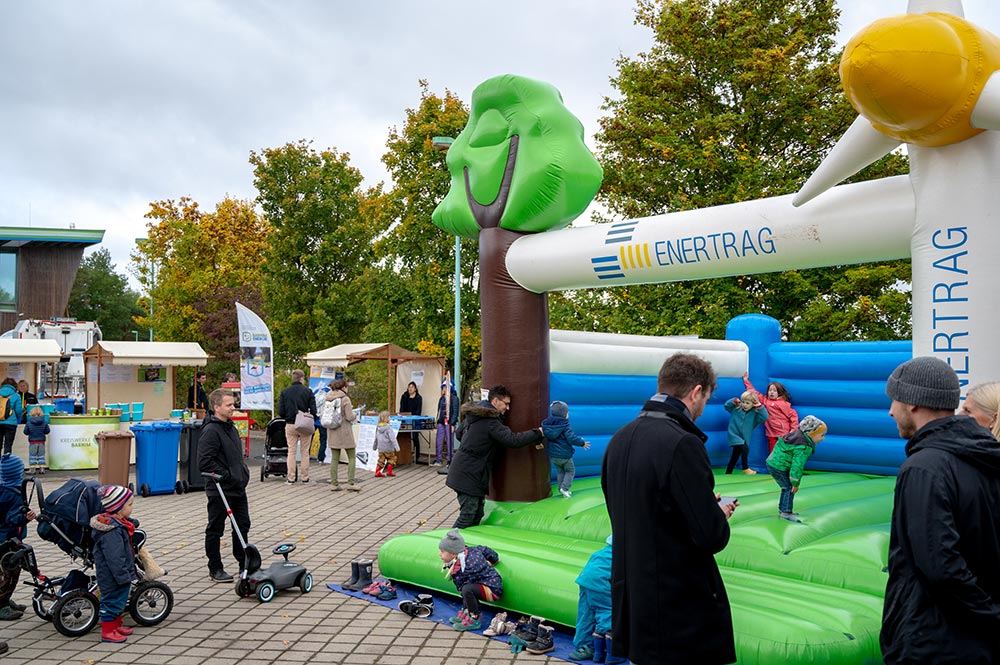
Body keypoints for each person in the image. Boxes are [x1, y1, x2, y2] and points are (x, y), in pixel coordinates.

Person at [602, 353, 737, 665]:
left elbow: (640, 510)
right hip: (676, 607)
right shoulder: (681, 442)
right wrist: (716, 514)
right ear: (696, 392)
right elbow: (710, 536)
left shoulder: (620, 438)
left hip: (634, 596)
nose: (703, 409)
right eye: (705, 399)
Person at [881, 356, 1000, 664]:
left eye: (894, 400)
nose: (891, 411)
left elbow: (940, 567)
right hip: (977, 641)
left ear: (914, 403)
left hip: (933, 640)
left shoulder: (924, 468)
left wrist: (990, 614)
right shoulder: (984, 456)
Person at [446, 385, 544, 528]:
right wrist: (538, 432)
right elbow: (513, 440)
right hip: (469, 473)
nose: (508, 408)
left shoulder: (475, 415)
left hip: (467, 471)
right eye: (506, 403)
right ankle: (448, 547)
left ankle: (464, 547)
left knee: (477, 513)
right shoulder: (490, 422)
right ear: (496, 401)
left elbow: (459, 433)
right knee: (468, 514)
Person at [198, 388, 251, 583]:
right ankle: (215, 567)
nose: (233, 408)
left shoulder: (231, 427)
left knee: (242, 525)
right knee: (216, 527)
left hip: (238, 486)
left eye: (233, 404)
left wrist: (242, 473)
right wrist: (226, 476)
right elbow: (204, 462)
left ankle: (244, 563)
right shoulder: (211, 431)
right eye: (228, 405)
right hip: (220, 488)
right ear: (216, 407)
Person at [566, 534, 625, 663]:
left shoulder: (617, 533)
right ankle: (612, 654)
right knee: (607, 611)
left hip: (588, 572)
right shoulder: (631, 546)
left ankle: (586, 648)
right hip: (601, 579)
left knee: (586, 614)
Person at [90, 485, 138, 643]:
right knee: (111, 600)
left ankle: (116, 625)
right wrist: (123, 575)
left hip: (118, 573)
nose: (132, 508)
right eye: (129, 505)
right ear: (117, 508)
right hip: (113, 574)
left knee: (120, 600)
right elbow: (115, 556)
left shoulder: (117, 523)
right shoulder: (112, 531)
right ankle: (108, 632)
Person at [764, 415, 827, 522]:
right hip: (779, 466)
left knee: (786, 487)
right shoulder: (803, 446)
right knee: (789, 488)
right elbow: (797, 466)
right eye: (821, 435)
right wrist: (795, 483)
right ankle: (786, 512)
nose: (823, 438)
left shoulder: (795, 436)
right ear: (811, 434)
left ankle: (783, 508)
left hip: (773, 462)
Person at [439, 529, 503, 633]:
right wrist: (494, 559)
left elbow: (461, 586)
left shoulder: (466, 567)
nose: (439, 554)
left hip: (493, 589)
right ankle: (467, 611)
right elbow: (485, 549)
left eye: (442, 552)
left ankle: (474, 618)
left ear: (453, 554)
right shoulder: (470, 550)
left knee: (466, 589)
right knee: (465, 588)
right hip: (487, 584)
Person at [0, 454, 35, 620]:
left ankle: (5, 600)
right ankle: (1, 604)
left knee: (5, 572)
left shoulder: (3, 488)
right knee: (10, 572)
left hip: (3, 539)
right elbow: (11, 519)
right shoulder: (14, 494)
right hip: (8, 540)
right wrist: (25, 517)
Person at [541, 400, 590, 498]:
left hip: (553, 455)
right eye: (567, 412)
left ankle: (561, 488)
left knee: (560, 471)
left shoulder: (547, 425)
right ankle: (565, 488)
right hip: (564, 455)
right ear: (564, 414)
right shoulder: (565, 425)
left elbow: (541, 435)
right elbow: (571, 438)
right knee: (570, 471)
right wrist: (582, 443)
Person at [278, 369, 317, 484]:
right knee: (305, 451)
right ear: (301, 379)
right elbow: (314, 410)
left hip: (290, 424)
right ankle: (305, 477)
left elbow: (281, 411)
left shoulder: (285, 392)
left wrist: (288, 416)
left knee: (291, 451)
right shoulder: (308, 392)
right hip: (304, 424)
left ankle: (291, 477)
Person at [743, 371, 797, 453]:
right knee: (772, 452)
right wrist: (746, 380)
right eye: (770, 390)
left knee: (782, 452)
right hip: (771, 433)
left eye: (774, 391)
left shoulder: (783, 404)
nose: (771, 392)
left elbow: (793, 415)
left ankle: (782, 465)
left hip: (783, 433)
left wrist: (793, 429)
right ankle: (772, 465)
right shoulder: (765, 400)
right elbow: (754, 393)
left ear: (779, 393)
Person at [325, 379, 360, 491]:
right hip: (345, 431)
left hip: (332, 430)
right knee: (352, 456)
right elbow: (349, 416)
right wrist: (355, 414)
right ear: (344, 387)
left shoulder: (328, 397)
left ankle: (334, 484)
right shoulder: (345, 399)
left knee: (335, 458)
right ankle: (350, 483)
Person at [724, 391, 768, 475]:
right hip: (734, 435)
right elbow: (726, 406)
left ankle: (728, 471)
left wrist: (760, 406)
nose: (744, 404)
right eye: (743, 402)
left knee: (735, 455)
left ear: (753, 404)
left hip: (744, 438)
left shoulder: (754, 415)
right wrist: (734, 400)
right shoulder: (736, 409)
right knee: (744, 448)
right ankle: (745, 468)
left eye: (747, 403)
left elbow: (765, 417)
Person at [433, 379, 459, 467]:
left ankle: (450, 460)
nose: (443, 389)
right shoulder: (442, 398)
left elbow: (455, 412)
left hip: (450, 423)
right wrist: (437, 421)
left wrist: (453, 423)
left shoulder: (454, 398)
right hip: (441, 422)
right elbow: (439, 411)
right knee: (439, 441)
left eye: (444, 387)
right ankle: (438, 459)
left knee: (449, 442)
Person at [22, 406, 50, 475]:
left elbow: (25, 432)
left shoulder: (29, 423)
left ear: (31, 413)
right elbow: (47, 431)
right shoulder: (44, 422)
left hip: (32, 442)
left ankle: (32, 469)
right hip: (41, 441)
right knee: (41, 455)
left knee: (32, 455)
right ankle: (42, 468)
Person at [372, 410, 399, 478]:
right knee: (392, 459)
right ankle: (389, 471)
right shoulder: (388, 427)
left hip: (380, 448)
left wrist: (374, 446)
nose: (390, 418)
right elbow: (392, 438)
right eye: (389, 417)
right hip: (389, 448)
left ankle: (377, 472)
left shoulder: (378, 427)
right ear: (386, 418)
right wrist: (397, 447)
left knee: (381, 460)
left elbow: (376, 438)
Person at [0, 379, 23, 456]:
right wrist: (15, 418)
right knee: (8, 445)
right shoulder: (16, 395)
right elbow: (18, 411)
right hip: (11, 423)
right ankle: (7, 464)